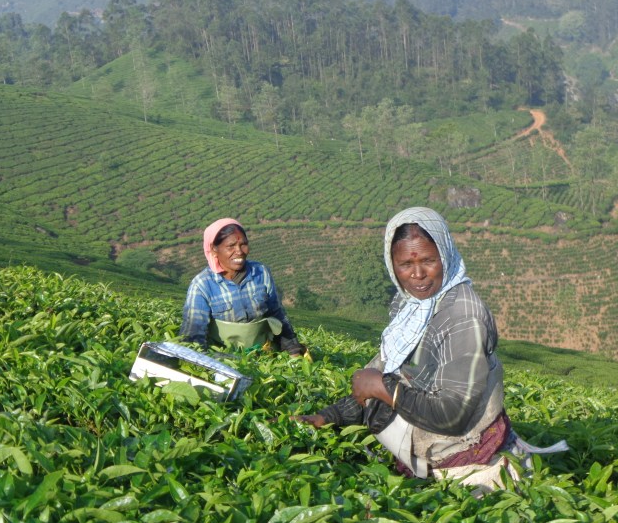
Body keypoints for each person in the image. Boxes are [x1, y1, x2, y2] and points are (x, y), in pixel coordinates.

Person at [296, 207, 566, 495]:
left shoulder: (463, 316)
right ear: (392, 265)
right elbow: (384, 374)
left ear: (445, 256)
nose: (418, 275)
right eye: (405, 264)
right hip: (426, 459)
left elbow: (453, 414)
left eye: (428, 260)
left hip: (470, 470)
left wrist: (385, 388)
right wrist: (329, 416)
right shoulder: (410, 306)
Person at [180, 218, 306, 355]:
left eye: (243, 244)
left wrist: (292, 349)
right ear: (214, 249)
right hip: (224, 358)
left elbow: (276, 314)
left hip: (263, 352)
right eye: (231, 246)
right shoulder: (202, 285)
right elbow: (193, 335)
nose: (239, 251)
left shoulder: (261, 272)